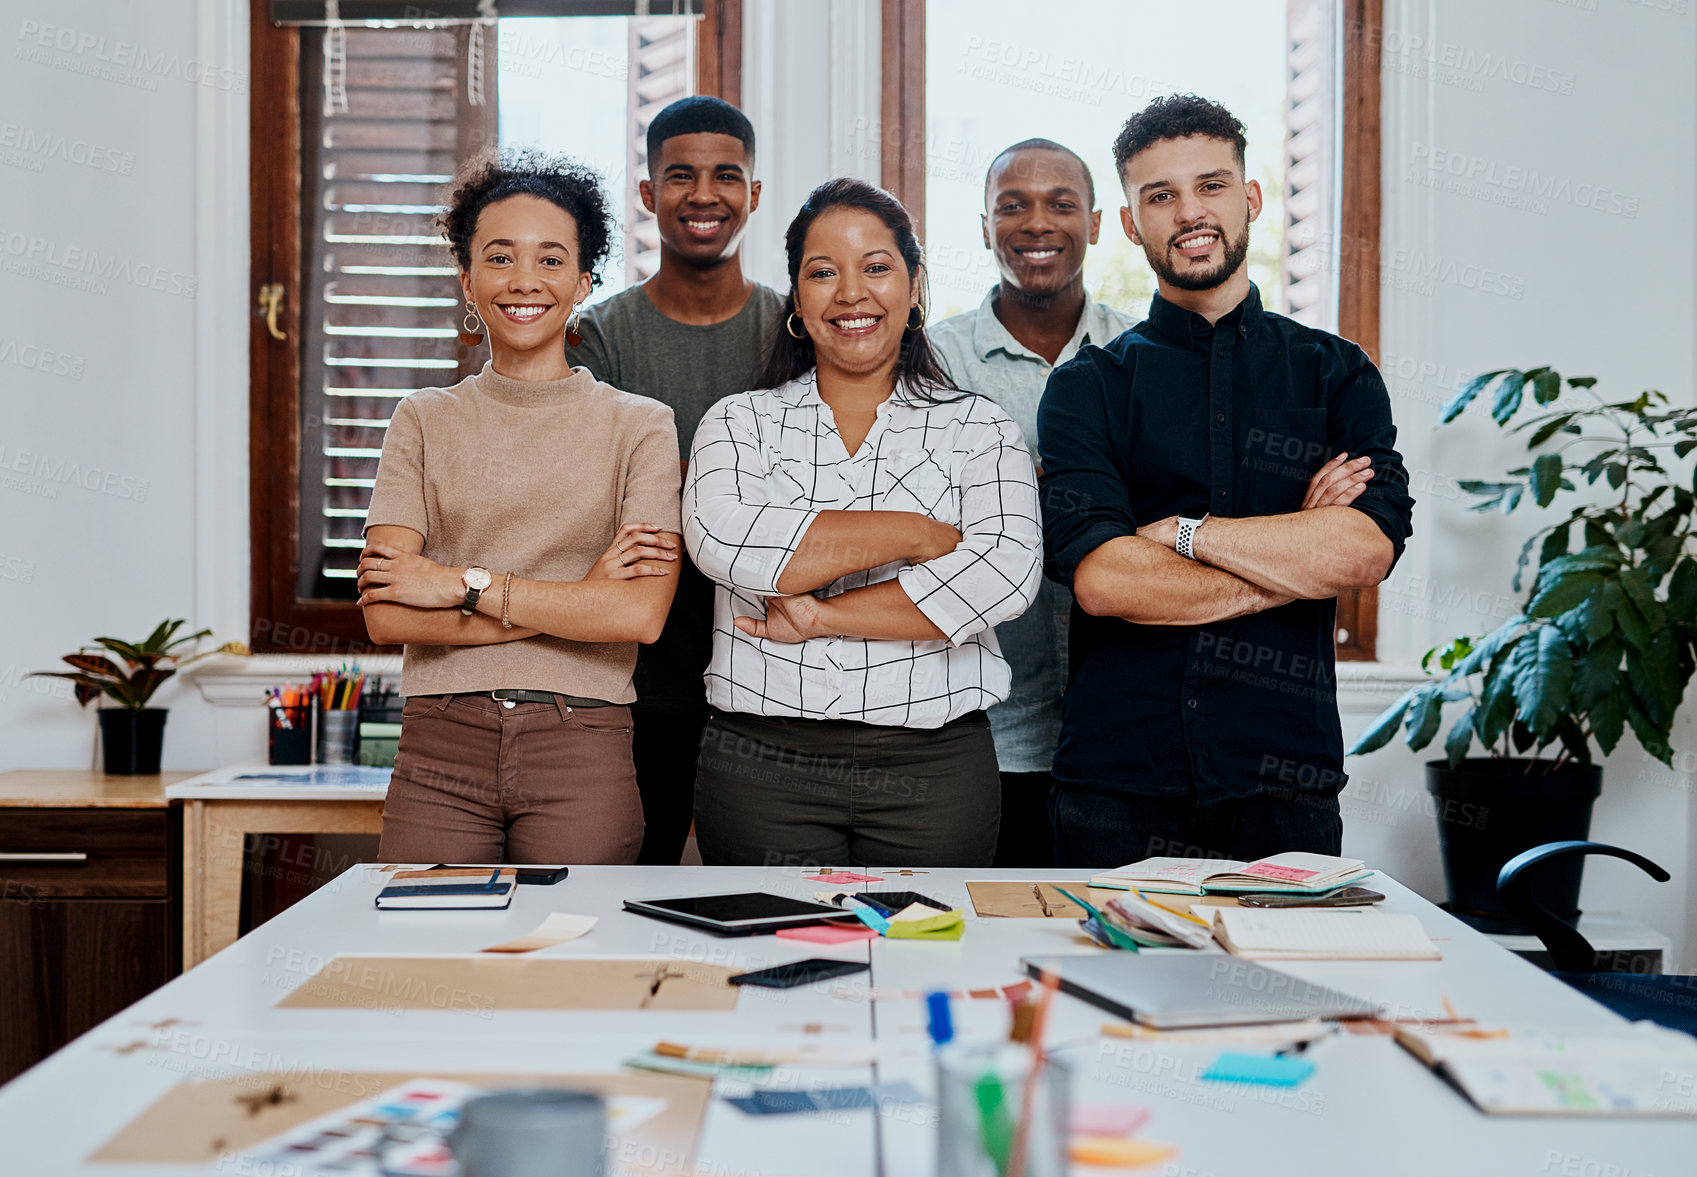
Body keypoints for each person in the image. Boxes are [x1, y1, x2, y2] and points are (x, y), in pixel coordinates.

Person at [1038, 95, 1416, 868]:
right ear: (1129, 223)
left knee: (1288, 993)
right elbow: (1107, 582)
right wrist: (1295, 564)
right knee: (1107, 994)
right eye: (1160, 195)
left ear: (1249, 198)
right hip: (1115, 786)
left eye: (1210, 186)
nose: (1188, 213)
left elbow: (1362, 552)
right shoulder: (1086, 387)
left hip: (1282, 786)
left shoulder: (1334, 373)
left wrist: (1182, 535)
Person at [683, 178, 1043, 868]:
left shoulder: (979, 427)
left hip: (934, 768)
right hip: (761, 766)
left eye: (876, 267)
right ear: (796, 297)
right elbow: (726, 542)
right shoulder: (737, 421)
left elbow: (1005, 576)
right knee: (770, 958)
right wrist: (917, 533)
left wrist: (821, 615)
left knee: (924, 959)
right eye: (823, 272)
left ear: (913, 288)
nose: (851, 293)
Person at [355, 152, 682, 864]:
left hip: (582, 741)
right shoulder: (421, 419)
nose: (524, 280)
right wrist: (576, 604)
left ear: (582, 283)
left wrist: (457, 585)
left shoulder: (641, 425)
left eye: (550, 259)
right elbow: (386, 613)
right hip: (440, 742)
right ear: (468, 280)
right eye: (499, 257)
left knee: (568, 962)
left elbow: (638, 615)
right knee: (432, 957)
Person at [570, 96, 785, 866]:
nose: (703, 195)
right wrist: (731, 488)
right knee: (625, 893)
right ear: (646, 194)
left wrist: (672, 481)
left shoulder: (795, 330)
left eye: (726, 175)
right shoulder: (599, 335)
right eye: (679, 176)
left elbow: (824, 495)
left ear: (754, 194)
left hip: (771, 676)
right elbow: (591, 500)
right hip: (636, 684)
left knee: (765, 903)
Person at [929, 138, 1137, 868]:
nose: (1036, 223)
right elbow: (921, 522)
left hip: (1116, 738)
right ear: (985, 226)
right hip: (979, 735)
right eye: (1011, 206)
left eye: (1060, 204)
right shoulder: (934, 358)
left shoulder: (1139, 353)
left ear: (1098, 222)